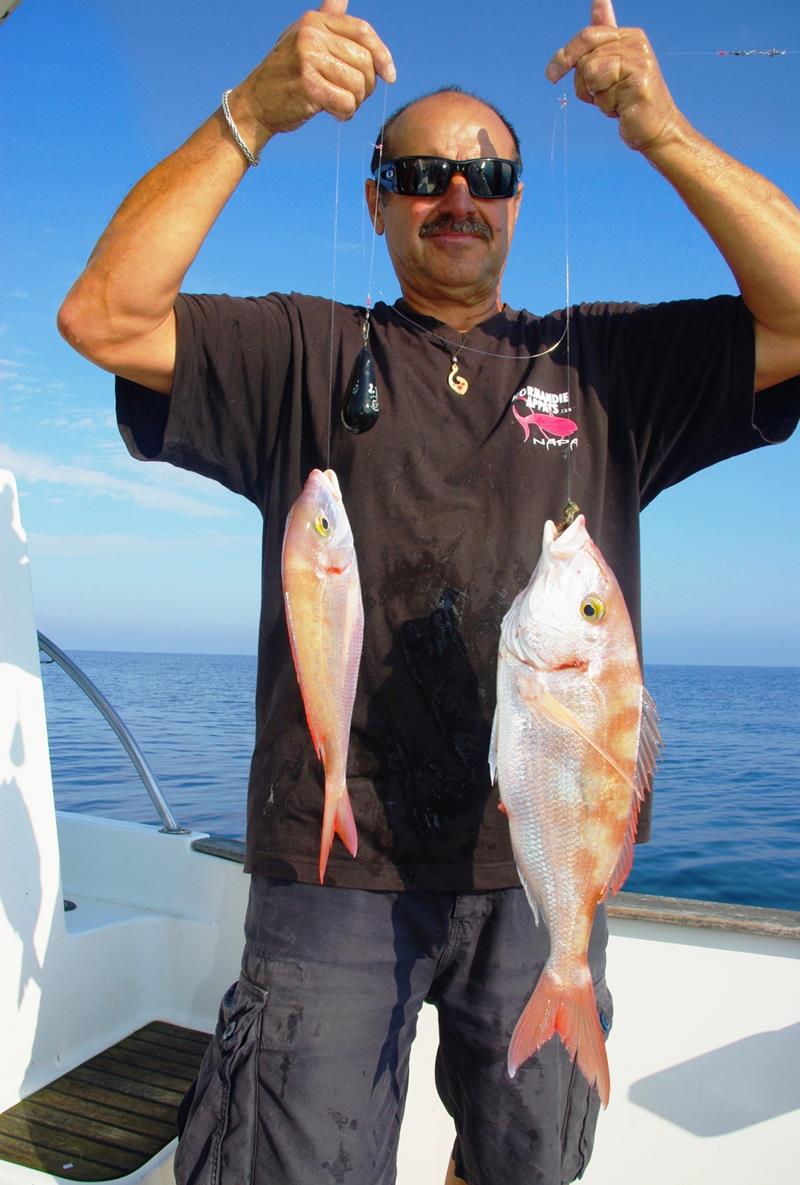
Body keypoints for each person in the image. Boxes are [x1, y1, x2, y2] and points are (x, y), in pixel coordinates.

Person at [57, 1, 800, 1182]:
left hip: (538, 872)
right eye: (420, 173)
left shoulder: (602, 365)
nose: (456, 196)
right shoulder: (301, 354)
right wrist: (251, 112)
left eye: (487, 174)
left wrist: (658, 129)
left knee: (524, 1160)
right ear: (376, 200)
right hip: (331, 872)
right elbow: (103, 315)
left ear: (517, 197)